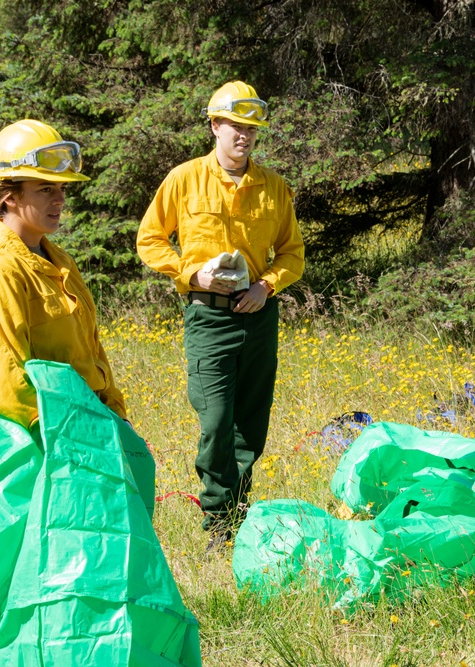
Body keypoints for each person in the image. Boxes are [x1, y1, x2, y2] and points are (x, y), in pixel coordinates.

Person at [137, 81, 305, 549]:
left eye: (251, 128)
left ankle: (237, 517)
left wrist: (267, 284)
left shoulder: (274, 187)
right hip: (208, 319)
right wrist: (192, 274)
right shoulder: (184, 178)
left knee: (251, 423)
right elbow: (149, 239)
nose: (244, 136)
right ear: (214, 126)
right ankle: (217, 521)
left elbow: (293, 253)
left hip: (258, 318)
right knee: (215, 421)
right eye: (235, 126)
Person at [0, 119, 127, 428]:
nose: (60, 199)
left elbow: (92, 353)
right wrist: (75, 436)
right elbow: (7, 382)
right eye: (46, 188)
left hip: (95, 426)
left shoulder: (59, 260)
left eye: (62, 187)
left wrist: (117, 418)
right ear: (10, 196)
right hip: (56, 442)